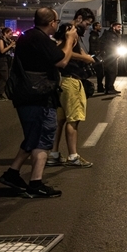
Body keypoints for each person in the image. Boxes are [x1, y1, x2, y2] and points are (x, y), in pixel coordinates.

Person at [0, 7, 78, 198]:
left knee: (33, 136)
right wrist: (69, 40)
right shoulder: (40, 38)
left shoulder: (29, 36)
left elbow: (51, 55)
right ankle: (36, 183)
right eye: (57, 22)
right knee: (42, 138)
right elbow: (61, 62)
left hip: (26, 94)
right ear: (51, 23)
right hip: (38, 96)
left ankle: (12, 174)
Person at [47, 9, 97, 169]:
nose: (88, 27)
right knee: (73, 120)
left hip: (61, 80)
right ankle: (73, 156)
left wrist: (85, 56)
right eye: (87, 23)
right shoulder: (71, 31)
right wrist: (85, 58)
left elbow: (72, 50)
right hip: (71, 80)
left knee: (60, 120)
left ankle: (54, 154)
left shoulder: (66, 30)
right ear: (79, 18)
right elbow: (62, 52)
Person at [96, 21, 124, 95]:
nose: (120, 28)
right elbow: (112, 45)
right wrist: (115, 53)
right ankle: (110, 88)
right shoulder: (111, 35)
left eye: (120, 27)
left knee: (109, 72)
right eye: (118, 27)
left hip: (109, 55)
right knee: (112, 72)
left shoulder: (110, 34)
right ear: (113, 27)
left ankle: (108, 88)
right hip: (111, 55)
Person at [0, 27, 16, 101]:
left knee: (6, 77)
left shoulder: (8, 40)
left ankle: (1, 94)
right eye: (10, 34)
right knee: (4, 77)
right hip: (2, 60)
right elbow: (2, 51)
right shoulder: (0, 40)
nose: (11, 35)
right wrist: (10, 45)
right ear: (5, 33)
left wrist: (13, 46)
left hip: (8, 60)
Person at [88, 21, 104, 93]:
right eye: (99, 26)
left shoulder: (96, 35)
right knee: (100, 72)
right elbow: (93, 47)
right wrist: (96, 55)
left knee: (100, 72)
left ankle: (100, 86)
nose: (100, 27)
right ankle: (100, 87)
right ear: (95, 27)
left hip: (97, 55)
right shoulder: (93, 36)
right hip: (96, 56)